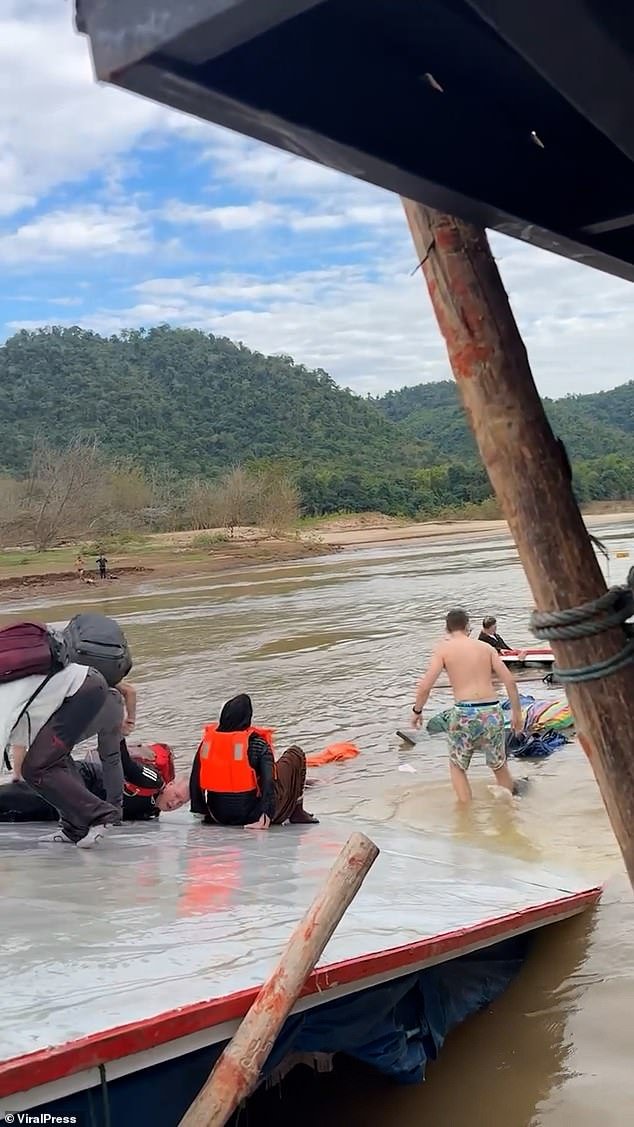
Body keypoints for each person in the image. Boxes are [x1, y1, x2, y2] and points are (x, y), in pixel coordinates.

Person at [0, 663, 119, 847]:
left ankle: (101, 814)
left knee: (35, 769)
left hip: (81, 691)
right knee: (53, 759)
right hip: (84, 684)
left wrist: (18, 773)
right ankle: (74, 828)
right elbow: (21, 735)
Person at [411, 608, 523, 803]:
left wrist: (417, 711)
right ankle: (509, 811)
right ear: (467, 626)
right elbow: (510, 681)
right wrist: (517, 715)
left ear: (447, 629)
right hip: (492, 711)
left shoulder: (443, 649)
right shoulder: (486, 648)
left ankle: (465, 814)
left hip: (465, 713)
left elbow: (425, 686)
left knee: (458, 766)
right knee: (499, 765)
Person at [190, 694, 318, 829]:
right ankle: (297, 813)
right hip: (253, 817)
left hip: (218, 816)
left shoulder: (207, 744)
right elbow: (269, 781)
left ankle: (203, 811)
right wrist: (266, 814)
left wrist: (202, 811)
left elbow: (195, 778)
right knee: (295, 753)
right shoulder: (257, 744)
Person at [0, 741, 189, 825]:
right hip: (80, 780)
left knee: (26, 814)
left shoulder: (152, 811)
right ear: (170, 785)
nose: (175, 803)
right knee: (23, 798)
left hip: (80, 802)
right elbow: (125, 762)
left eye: (180, 803)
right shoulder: (154, 781)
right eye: (177, 796)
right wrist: (117, 730)